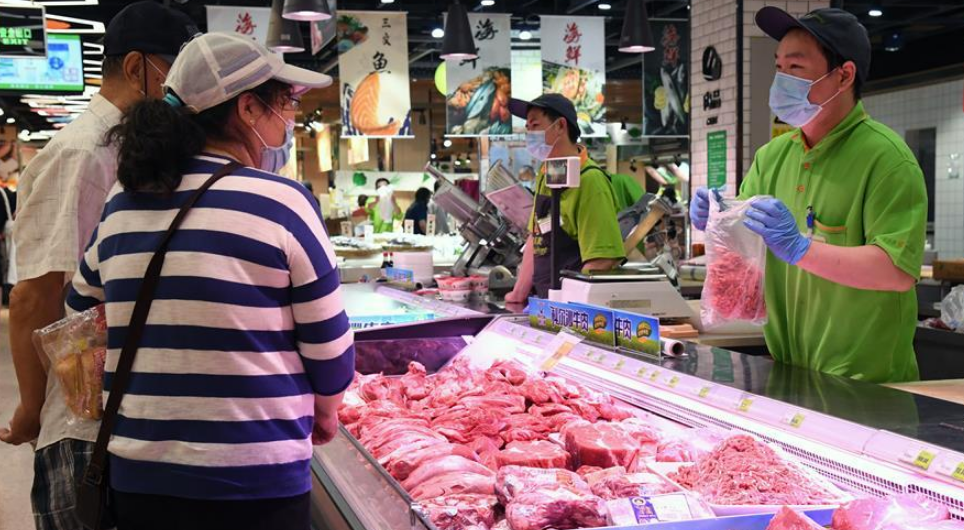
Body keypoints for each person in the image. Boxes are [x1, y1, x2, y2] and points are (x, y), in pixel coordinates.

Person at [65, 32, 353, 529]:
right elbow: (329, 350)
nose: (289, 118)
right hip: (255, 479)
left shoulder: (122, 205)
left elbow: (79, 311)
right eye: (285, 103)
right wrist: (326, 411)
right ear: (248, 108)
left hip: (139, 476)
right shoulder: (283, 202)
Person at [1, 4, 198, 530]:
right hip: (84, 423)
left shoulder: (134, 146)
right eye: (177, 72)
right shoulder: (83, 152)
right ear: (137, 68)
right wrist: (31, 407)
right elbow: (34, 296)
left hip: (125, 411)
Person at [691, 8, 926, 384]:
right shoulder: (772, 157)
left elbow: (896, 272)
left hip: (868, 384)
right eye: (779, 66)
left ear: (843, 75)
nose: (781, 79)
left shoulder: (887, 159)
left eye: (796, 68)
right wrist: (718, 220)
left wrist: (801, 249)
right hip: (788, 370)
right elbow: (744, 254)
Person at [505, 94, 625, 301]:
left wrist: (568, 306)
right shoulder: (546, 174)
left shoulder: (590, 181)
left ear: (560, 125)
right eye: (527, 128)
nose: (529, 134)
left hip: (572, 308)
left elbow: (602, 260)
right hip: (547, 303)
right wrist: (518, 293)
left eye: (535, 125)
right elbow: (537, 237)